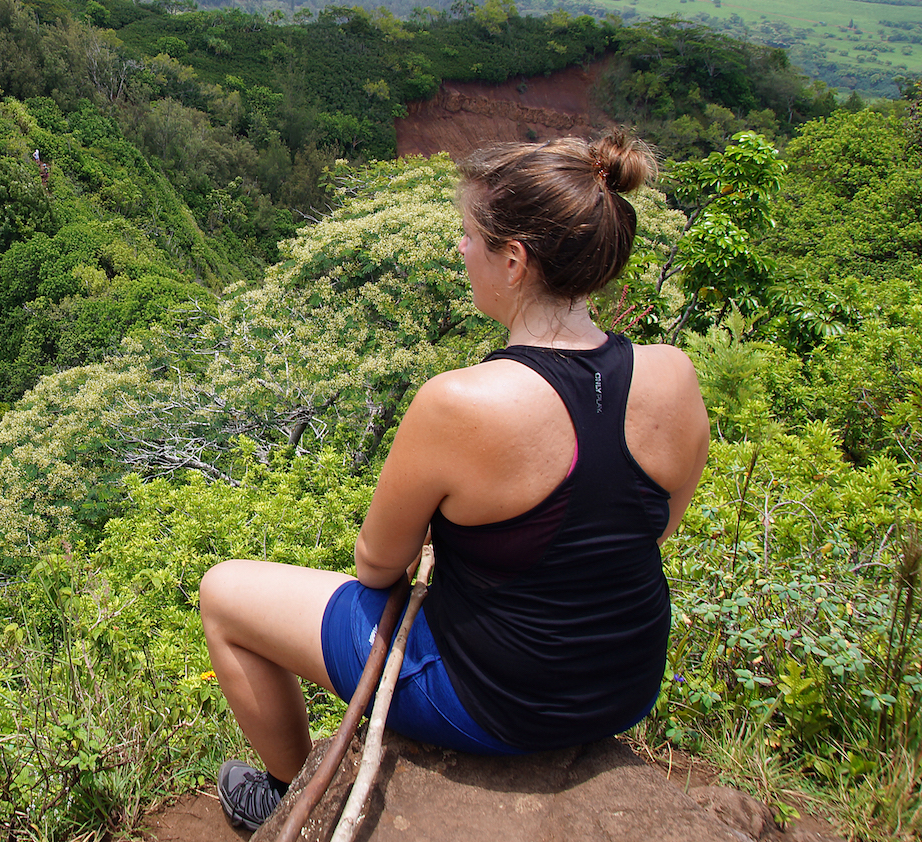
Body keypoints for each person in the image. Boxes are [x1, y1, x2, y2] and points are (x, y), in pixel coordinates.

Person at [199, 130, 711, 830]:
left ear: (515, 259)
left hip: (498, 698)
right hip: (626, 683)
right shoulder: (673, 374)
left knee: (224, 594)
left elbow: (377, 564)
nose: (460, 251)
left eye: (468, 236)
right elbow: (656, 527)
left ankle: (286, 797)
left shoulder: (462, 402)